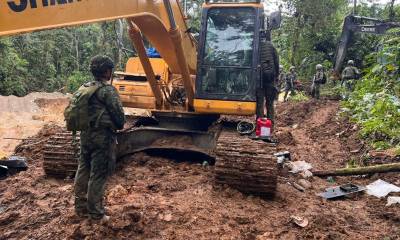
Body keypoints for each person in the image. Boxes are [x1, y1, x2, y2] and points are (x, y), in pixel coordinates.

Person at [74, 55, 125, 224]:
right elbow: (119, 119)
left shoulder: (85, 87)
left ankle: (80, 209)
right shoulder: (107, 90)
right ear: (107, 71)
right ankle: (96, 214)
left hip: (85, 134)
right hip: (102, 137)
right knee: (98, 174)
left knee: (83, 169)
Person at [257, 30, 279, 125]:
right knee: (270, 102)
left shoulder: (254, 46)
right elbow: (276, 61)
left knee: (260, 102)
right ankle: (271, 123)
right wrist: (276, 75)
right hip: (270, 77)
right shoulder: (271, 46)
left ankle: (260, 122)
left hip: (259, 78)